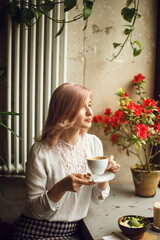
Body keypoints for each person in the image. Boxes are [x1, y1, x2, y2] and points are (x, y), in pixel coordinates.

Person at [12, 83, 120, 240]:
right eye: (82, 107)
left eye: (90, 105)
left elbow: (97, 199)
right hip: (35, 231)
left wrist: (105, 177)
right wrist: (61, 187)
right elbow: (35, 210)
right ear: (64, 111)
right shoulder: (40, 150)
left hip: (71, 233)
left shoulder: (94, 143)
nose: (90, 112)